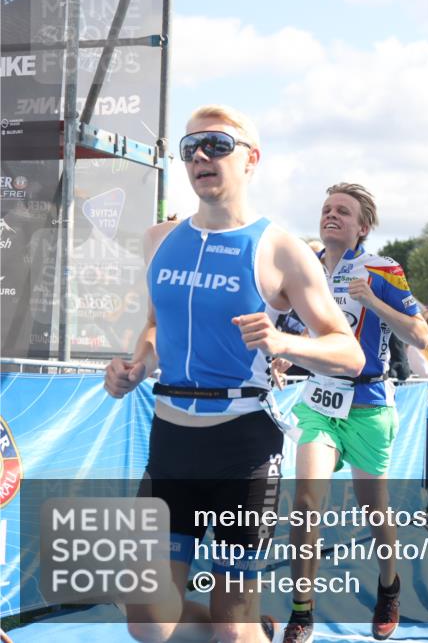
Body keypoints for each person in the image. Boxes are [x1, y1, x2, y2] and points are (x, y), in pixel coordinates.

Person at [104, 105, 366, 643]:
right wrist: (136, 366)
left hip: (242, 444)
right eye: (190, 147)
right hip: (170, 438)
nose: (201, 155)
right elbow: (156, 325)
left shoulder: (281, 249)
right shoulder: (159, 240)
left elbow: (349, 354)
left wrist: (283, 340)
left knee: (229, 626)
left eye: (217, 145)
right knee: (147, 622)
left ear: (251, 159)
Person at [272, 182, 428, 643]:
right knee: (306, 503)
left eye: (343, 211)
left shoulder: (383, 269)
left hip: (369, 404)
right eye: (326, 209)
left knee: (374, 510)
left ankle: (389, 585)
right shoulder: (306, 266)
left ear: (362, 227)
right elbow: (304, 330)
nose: (332, 215)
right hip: (320, 400)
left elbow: (420, 334)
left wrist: (374, 301)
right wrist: (289, 355)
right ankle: (302, 612)